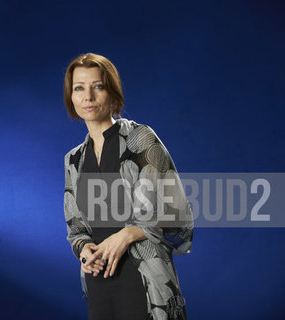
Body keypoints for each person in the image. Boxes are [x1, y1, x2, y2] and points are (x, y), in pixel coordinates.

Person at [63, 53, 194, 320]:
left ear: (112, 92)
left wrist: (128, 233)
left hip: (145, 282)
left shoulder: (141, 139)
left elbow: (179, 216)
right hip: (100, 285)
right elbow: (76, 229)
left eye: (97, 86)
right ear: (71, 96)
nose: (87, 96)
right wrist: (84, 248)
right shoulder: (73, 160)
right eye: (79, 88)